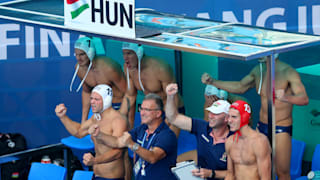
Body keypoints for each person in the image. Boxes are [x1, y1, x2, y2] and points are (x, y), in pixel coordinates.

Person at [202, 55, 308, 179]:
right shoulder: (259, 71)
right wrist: (213, 82)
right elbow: (240, 87)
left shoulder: (288, 72)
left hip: (281, 128)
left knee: (282, 172)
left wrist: (286, 97)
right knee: (257, 169)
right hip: (262, 126)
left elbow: (304, 99)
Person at [88, 93, 178, 180]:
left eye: (147, 110)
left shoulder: (167, 135)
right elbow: (118, 142)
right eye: (141, 109)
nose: (142, 113)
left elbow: (153, 157)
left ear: (158, 113)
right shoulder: (142, 129)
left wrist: (132, 145)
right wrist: (99, 134)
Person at [55, 84, 127, 180]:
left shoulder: (118, 120)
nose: (92, 102)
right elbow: (79, 132)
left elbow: (118, 153)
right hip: (97, 175)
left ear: (106, 101)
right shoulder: (96, 117)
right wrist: (63, 117)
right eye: (91, 98)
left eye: (96, 99)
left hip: (111, 177)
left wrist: (95, 160)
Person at [166, 83, 232, 180]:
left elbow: (237, 174)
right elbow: (173, 118)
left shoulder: (234, 140)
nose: (211, 116)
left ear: (227, 118)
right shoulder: (202, 126)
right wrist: (170, 97)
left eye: (216, 114)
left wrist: (211, 174)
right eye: (210, 112)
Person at [119, 42, 184, 135]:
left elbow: (173, 99)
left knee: (164, 144)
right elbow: (130, 96)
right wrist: (118, 117)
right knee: (143, 144)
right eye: (123, 53)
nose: (125, 58)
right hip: (151, 111)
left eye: (129, 53)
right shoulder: (128, 69)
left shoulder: (160, 68)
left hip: (172, 109)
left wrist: (163, 125)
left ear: (139, 53)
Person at [70, 36, 126, 124]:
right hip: (100, 109)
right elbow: (86, 92)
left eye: (81, 54)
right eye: (76, 54)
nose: (78, 58)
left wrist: (123, 118)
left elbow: (128, 94)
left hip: (117, 106)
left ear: (91, 53)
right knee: (87, 133)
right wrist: (83, 120)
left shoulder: (109, 68)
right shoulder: (79, 68)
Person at [225, 100, 271, 180]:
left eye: (234, 117)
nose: (229, 120)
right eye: (228, 116)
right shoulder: (230, 141)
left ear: (245, 117)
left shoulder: (259, 141)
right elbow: (230, 175)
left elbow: (265, 177)